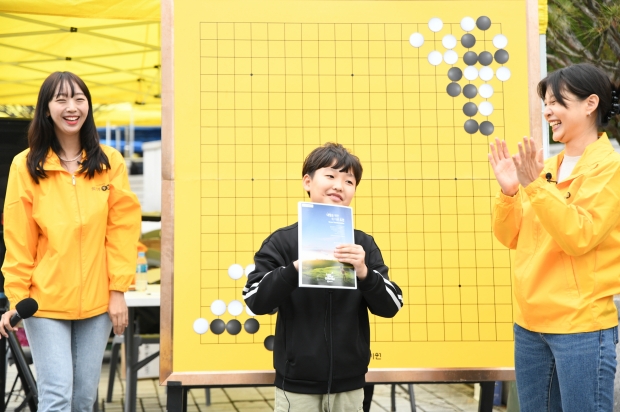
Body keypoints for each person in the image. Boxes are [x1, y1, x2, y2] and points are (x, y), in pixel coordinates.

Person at [0, 71, 141, 411]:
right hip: (44, 303)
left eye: (79, 98)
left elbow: (121, 230)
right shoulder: (25, 165)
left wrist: (118, 291)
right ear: (46, 109)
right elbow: (18, 238)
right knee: (57, 398)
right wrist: (17, 298)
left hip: (97, 304)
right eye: (61, 99)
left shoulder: (110, 162)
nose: (71, 107)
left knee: (82, 399)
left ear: (88, 106)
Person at [488, 63, 620, 412]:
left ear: (590, 104)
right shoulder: (546, 167)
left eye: (556, 102)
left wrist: (534, 186)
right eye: (545, 103)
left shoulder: (611, 168)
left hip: (581, 327)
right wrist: (510, 192)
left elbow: (580, 235)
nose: (547, 111)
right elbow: (511, 236)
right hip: (530, 325)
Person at [243, 143, 403, 412]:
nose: (339, 186)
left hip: (351, 384)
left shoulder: (362, 244)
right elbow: (255, 300)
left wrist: (364, 273)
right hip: (296, 385)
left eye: (349, 180)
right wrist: (295, 268)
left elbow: (392, 306)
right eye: (330, 176)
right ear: (308, 181)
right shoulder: (282, 241)